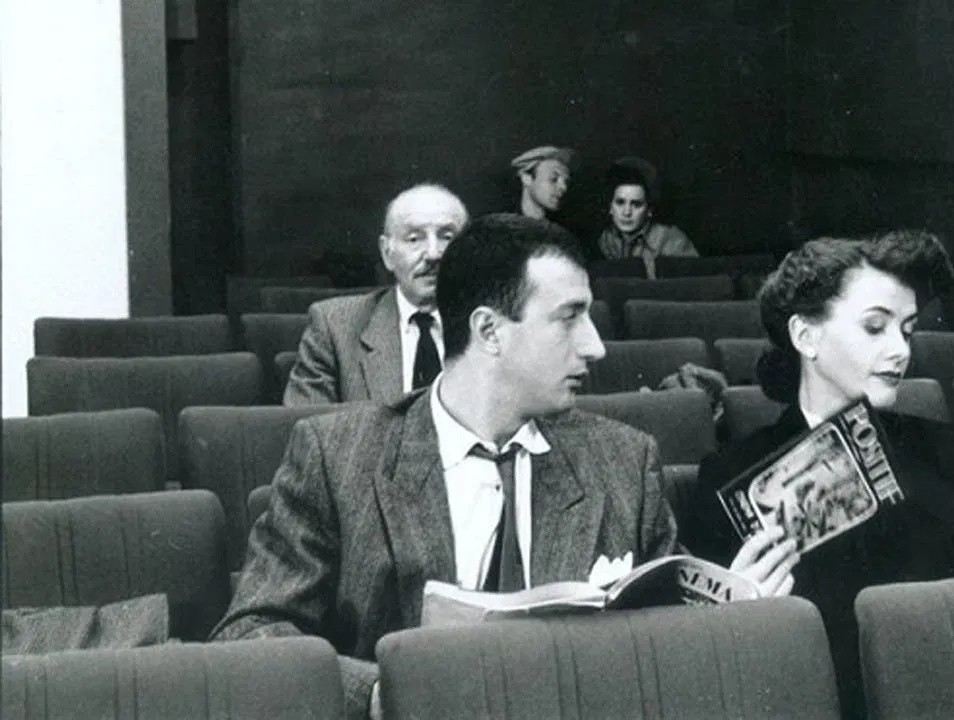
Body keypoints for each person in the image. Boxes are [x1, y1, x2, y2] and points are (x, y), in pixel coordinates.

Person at [214, 214, 799, 719]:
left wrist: (725, 614)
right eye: (569, 317)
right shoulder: (337, 454)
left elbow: (660, 642)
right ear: (489, 331)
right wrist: (387, 692)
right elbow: (251, 633)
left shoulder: (624, 461)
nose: (595, 346)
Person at [683, 231, 954, 718]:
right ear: (805, 336)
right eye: (876, 327)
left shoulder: (951, 451)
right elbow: (711, 664)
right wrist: (735, 610)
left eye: (907, 330)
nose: (900, 351)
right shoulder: (732, 476)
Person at [283, 184, 467, 406]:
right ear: (387, 253)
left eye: (447, 237)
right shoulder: (335, 326)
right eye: (414, 239)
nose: (433, 254)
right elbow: (307, 422)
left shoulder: (495, 325)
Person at [597, 156, 697, 279]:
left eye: (636, 204)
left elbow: (694, 285)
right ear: (610, 207)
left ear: (649, 210)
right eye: (620, 202)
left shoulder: (673, 241)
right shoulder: (607, 239)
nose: (627, 212)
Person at [512, 145, 574, 221]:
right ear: (526, 178)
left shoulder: (557, 228)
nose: (564, 187)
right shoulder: (502, 225)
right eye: (553, 179)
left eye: (566, 182)